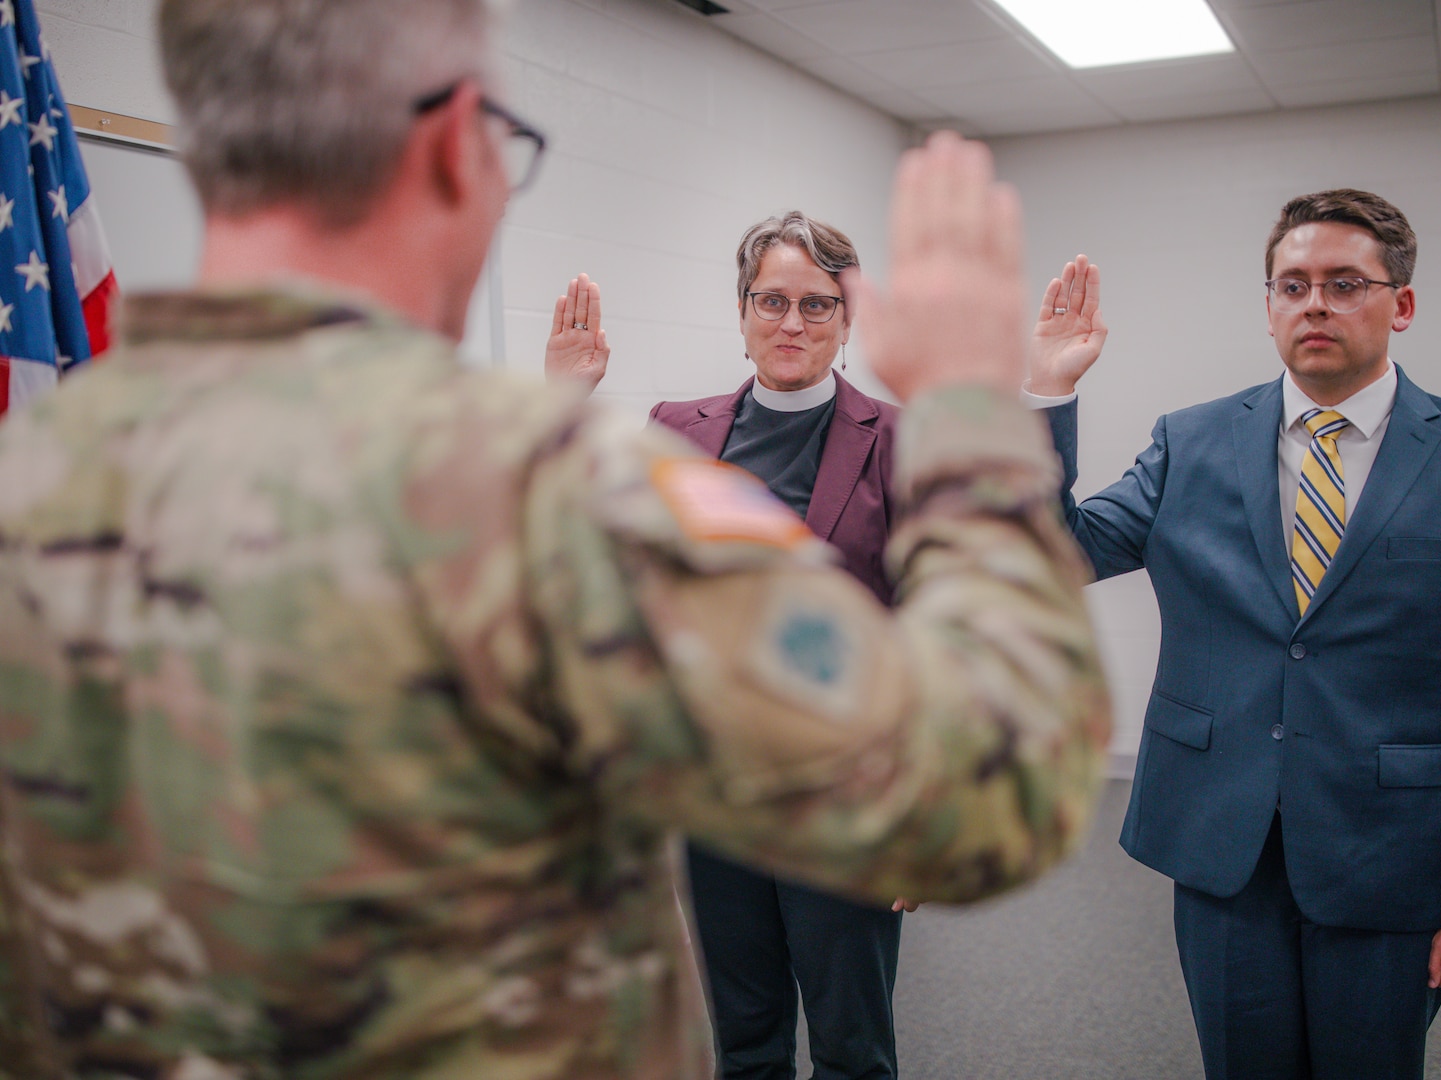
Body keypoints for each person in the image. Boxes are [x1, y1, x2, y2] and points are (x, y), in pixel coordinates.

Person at [0, 2, 1115, 1077]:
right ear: (453, 147)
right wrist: (975, 413)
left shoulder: (31, 491)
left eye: (815, 304)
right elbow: (984, 797)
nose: (791, 322)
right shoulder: (574, 496)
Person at [1030, 191, 1441, 1079]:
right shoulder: (1189, 441)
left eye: (1346, 283)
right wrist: (1048, 393)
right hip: (1219, 836)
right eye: (1293, 284)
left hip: (1387, 848)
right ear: (1268, 303)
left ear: (1403, 303)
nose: (1315, 303)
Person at [552, 213, 906, 1080]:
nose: (793, 323)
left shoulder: (900, 441)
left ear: (849, 317)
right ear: (742, 311)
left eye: (818, 305)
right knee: (745, 1041)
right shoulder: (679, 428)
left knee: (853, 1044)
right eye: (772, 300)